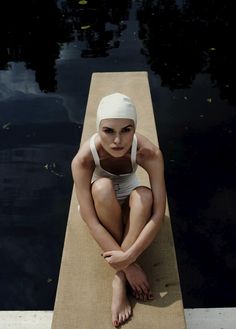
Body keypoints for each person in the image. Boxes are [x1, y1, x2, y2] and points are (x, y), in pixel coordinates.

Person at [71, 93, 166, 327]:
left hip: (132, 194)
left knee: (145, 196)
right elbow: (89, 217)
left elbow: (158, 214)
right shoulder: (83, 160)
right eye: (108, 131)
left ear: (135, 128)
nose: (117, 140)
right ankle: (125, 275)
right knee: (102, 187)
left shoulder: (149, 153)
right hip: (101, 200)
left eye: (126, 130)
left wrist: (127, 258)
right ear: (98, 129)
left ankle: (119, 278)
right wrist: (132, 265)